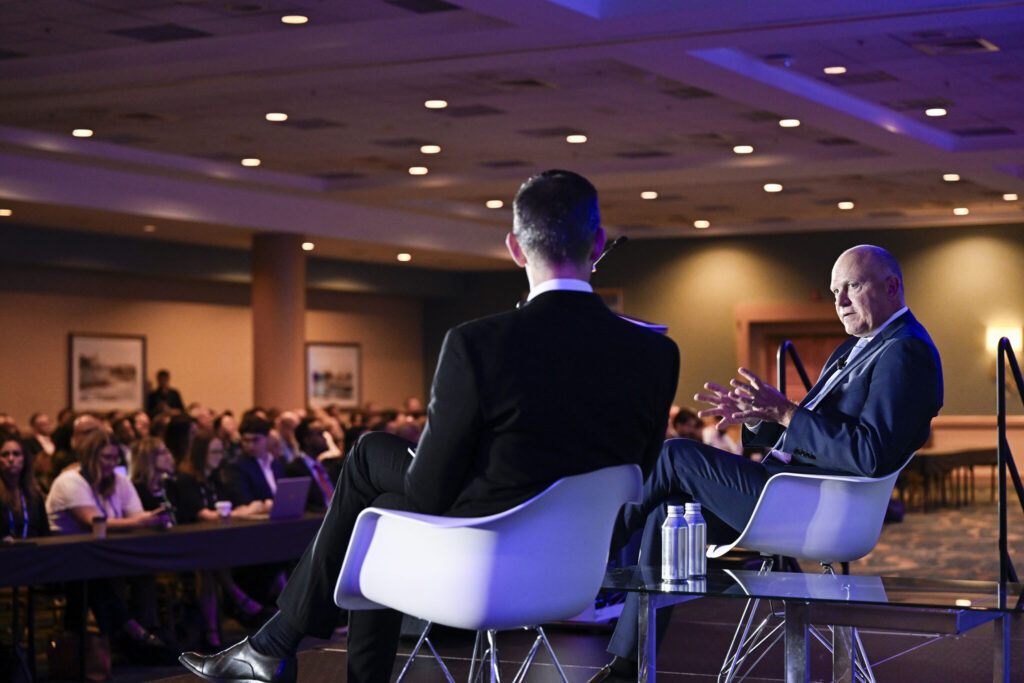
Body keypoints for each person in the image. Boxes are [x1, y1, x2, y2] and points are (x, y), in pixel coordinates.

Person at [179, 169, 680, 683]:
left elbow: (428, 492)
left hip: (477, 565)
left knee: (371, 461)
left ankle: (274, 644)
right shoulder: (657, 354)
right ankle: (271, 646)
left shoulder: (477, 343)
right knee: (380, 506)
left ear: (514, 248)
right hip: (578, 572)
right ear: (596, 244)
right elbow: (639, 476)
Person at [590, 244, 944, 682]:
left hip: (818, 507)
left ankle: (589, 554)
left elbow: (870, 454)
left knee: (674, 453)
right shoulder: (857, 346)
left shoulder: (906, 351)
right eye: (834, 290)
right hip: (787, 491)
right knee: (669, 515)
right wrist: (763, 418)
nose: (840, 301)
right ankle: (626, 667)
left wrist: (787, 413)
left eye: (852, 286)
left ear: (891, 287)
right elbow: (814, 433)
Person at [0, 430, 49, 539]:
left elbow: (45, 535)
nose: (11, 459)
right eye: (5, 454)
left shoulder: (35, 496)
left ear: (25, 459)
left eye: (16, 454)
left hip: (34, 549)